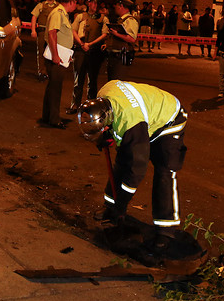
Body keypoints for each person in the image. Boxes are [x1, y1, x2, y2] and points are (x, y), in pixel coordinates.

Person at [78, 80, 188, 249]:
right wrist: (106, 136)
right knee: (121, 162)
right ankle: (109, 207)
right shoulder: (104, 93)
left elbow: (136, 170)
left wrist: (122, 202)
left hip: (169, 120)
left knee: (165, 173)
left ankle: (167, 229)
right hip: (144, 115)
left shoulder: (131, 125)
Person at [41, 0, 79, 129]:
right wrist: (56, 55)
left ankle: (48, 116)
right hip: (56, 57)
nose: (76, 5)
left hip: (61, 55)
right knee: (56, 89)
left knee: (52, 87)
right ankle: (54, 119)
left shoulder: (63, 14)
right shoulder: (58, 13)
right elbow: (52, 34)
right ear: (71, 2)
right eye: (75, 2)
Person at [67, 0, 108, 114]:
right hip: (81, 50)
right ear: (88, 3)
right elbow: (73, 30)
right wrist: (81, 43)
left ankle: (90, 106)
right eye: (93, 2)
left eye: (97, 3)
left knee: (92, 80)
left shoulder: (103, 19)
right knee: (78, 79)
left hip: (94, 51)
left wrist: (90, 44)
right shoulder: (80, 16)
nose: (95, 5)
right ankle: (75, 105)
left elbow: (104, 34)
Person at [91, 0, 138, 81]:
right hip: (114, 57)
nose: (115, 7)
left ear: (121, 6)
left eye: (116, 5)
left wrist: (117, 34)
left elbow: (132, 39)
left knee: (117, 83)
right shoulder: (120, 19)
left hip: (121, 57)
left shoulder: (130, 20)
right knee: (112, 82)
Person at [31, 0, 58, 80]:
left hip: (54, 32)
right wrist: (33, 30)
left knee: (53, 51)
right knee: (41, 52)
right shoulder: (41, 5)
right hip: (42, 31)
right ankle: (42, 71)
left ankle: (50, 72)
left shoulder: (58, 7)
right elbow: (34, 17)